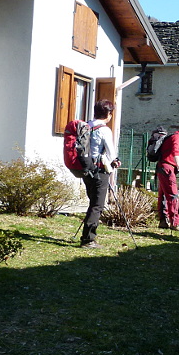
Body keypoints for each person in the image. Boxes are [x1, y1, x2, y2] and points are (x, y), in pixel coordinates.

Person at [80, 100, 120, 248]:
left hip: (86, 169)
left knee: (93, 203)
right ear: (108, 114)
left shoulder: (86, 125)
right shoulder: (104, 130)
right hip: (99, 171)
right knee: (97, 206)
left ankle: (87, 236)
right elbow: (111, 153)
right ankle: (88, 239)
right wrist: (114, 162)